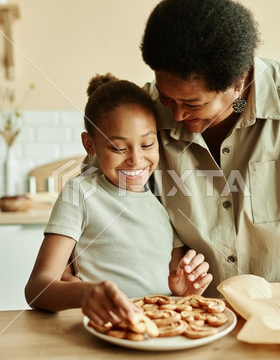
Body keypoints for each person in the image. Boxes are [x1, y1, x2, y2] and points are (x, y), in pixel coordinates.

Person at [138, 0, 280, 296]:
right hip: (192, 319)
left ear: (239, 83)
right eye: (168, 99)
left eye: (193, 104)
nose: (179, 116)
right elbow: (97, 197)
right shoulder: (141, 112)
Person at [25, 73, 213, 326]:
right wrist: (85, 293)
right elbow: (38, 288)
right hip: (103, 331)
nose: (135, 160)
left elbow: (173, 280)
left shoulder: (165, 200)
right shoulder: (80, 193)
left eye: (147, 144)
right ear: (89, 145)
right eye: (118, 148)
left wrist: (184, 293)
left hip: (159, 332)